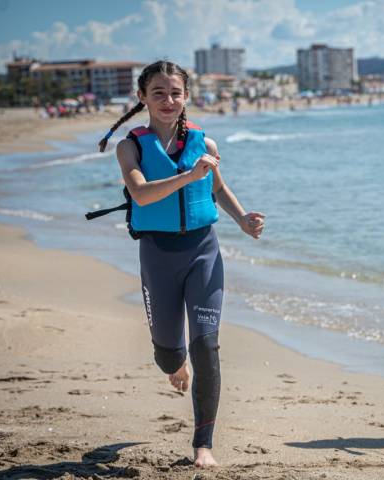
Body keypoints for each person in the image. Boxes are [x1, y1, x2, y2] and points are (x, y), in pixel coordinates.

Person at [96, 60, 265, 467]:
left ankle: (203, 445)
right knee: (168, 355)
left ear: (186, 96)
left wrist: (241, 218)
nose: (168, 100)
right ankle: (175, 365)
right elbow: (141, 194)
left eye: (175, 93)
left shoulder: (205, 145)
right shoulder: (130, 147)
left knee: (207, 345)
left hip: (203, 251)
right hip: (158, 256)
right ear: (142, 98)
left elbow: (218, 187)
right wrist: (188, 177)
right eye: (158, 93)